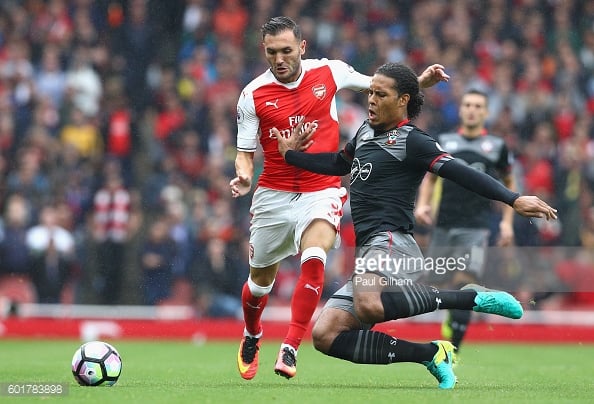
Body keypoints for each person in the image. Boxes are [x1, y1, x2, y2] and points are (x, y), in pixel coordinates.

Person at [274, 62, 557, 389]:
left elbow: (460, 172)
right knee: (325, 335)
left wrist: (512, 198)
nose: (371, 100)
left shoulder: (413, 141)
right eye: (371, 93)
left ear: (403, 100)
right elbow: (340, 163)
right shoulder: (365, 131)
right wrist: (291, 157)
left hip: (391, 240)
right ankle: (431, 354)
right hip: (370, 248)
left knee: (368, 305)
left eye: (381, 94)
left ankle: (468, 299)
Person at [229, 16, 449, 380]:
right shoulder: (252, 95)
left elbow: (377, 85)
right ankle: (252, 333)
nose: (279, 59)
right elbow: (244, 152)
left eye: (286, 50)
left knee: (314, 258)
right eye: (272, 53)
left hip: (322, 188)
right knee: (258, 286)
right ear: (263, 52)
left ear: (302, 47)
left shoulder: (330, 72)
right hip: (273, 194)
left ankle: (290, 347)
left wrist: (420, 82)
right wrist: (243, 174)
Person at [414, 89, 516, 356]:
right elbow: (431, 178)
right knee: (440, 282)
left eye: (477, 106)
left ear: (485, 112)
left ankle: (453, 351)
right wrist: (423, 204)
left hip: (476, 226)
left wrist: (507, 222)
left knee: (465, 282)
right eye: (467, 104)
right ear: (461, 110)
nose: (471, 109)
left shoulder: (496, 146)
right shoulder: (444, 141)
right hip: (444, 223)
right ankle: (453, 321)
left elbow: (509, 183)